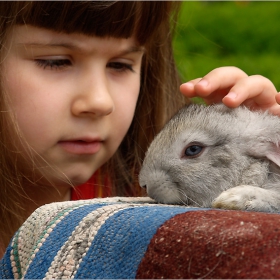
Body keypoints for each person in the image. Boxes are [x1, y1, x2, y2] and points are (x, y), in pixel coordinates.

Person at [0, 1, 279, 258]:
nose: (100, 101)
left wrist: (260, 171)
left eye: (120, 65)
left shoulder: (147, 187)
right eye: (56, 61)